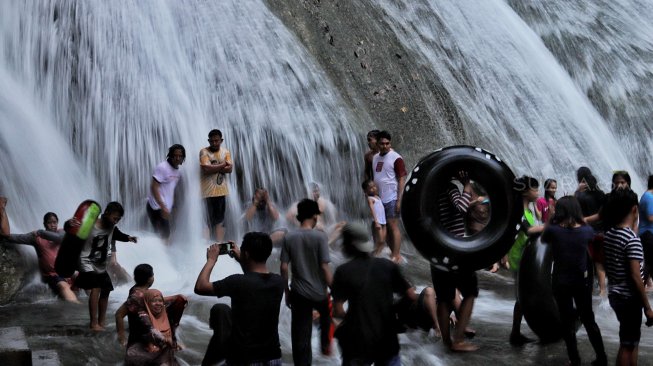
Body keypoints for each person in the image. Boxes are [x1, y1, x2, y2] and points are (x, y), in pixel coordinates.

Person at [331, 222, 416, 365]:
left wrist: (352, 320)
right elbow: (411, 295)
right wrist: (394, 313)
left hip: (357, 343)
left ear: (349, 244)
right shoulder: (387, 266)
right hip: (387, 340)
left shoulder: (343, 271)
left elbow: (338, 310)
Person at [194, 233, 285, 366]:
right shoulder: (278, 282)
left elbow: (200, 287)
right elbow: (253, 278)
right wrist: (242, 258)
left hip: (244, 359)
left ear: (247, 254)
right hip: (273, 358)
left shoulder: (237, 282)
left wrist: (211, 260)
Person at [541, 196, 607, 366]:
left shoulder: (554, 230)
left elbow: (543, 239)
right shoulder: (586, 231)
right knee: (588, 319)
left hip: (560, 281)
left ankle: (574, 359)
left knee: (566, 321)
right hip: (582, 282)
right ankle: (601, 357)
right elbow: (592, 241)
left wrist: (550, 217)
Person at [601, 188, 653, 366]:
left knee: (630, 341)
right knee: (628, 345)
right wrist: (647, 306)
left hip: (615, 294)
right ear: (634, 209)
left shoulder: (609, 235)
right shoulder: (632, 239)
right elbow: (635, 276)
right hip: (629, 297)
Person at [280, 198, 333, 365]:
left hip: (299, 293)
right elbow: (324, 268)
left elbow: (283, 267)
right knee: (326, 316)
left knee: (300, 338)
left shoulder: (289, 237)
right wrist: (336, 289)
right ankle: (325, 345)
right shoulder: (320, 237)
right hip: (319, 293)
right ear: (315, 216)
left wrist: (286, 292)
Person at [72, 201, 137, 331]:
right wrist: (71, 225)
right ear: (106, 213)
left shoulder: (112, 228)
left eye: (118, 219)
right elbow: (75, 234)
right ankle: (93, 323)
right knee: (96, 288)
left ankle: (102, 322)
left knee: (106, 289)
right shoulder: (90, 224)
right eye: (114, 218)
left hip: (100, 264)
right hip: (86, 261)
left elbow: (118, 235)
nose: (116, 221)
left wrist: (129, 237)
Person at [432, 171, 479, 351]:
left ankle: (446, 342)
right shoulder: (450, 188)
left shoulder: (430, 191)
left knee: (444, 297)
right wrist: (466, 185)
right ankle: (458, 340)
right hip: (455, 249)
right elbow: (461, 207)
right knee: (470, 291)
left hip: (436, 250)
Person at [0, 212, 79, 303]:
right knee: (64, 287)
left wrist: (40, 232)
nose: (53, 225)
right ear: (44, 224)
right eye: (50, 222)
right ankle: (76, 308)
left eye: (55, 222)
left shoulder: (61, 232)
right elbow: (17, 238)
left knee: (83, 278)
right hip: (53, 274)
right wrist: (5, 236)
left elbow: (58, 238)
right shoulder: (36, 238)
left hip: (66, 270)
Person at [508, 176, 544, 345]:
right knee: (522, 296)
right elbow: (529, 230)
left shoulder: (528, 210)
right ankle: (515, 333)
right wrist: (550, 225)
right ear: (525, 192)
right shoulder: (519, 211)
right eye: (535, 189)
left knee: (525, 296)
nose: (537, 192)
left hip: (526, 256)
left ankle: (517, 331)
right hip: (518, 258)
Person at [124, 289, 187, 366]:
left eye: (160, 301)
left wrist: (179, 298)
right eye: (154, 301)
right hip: (145, 352)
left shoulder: (164, 313)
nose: (158, 304)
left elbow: (176, 303)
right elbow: (150, 330)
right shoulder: (143, 315)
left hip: (163, 350)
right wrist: (166, 340)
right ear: (147, 303)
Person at [372, 130, 407, 263]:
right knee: (384, 225)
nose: (385, 146)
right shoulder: (375, 158)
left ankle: (397, 255)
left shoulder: (396, 158)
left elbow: (401, 179)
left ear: (390, 143)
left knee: (393, 226)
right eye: (382, 143)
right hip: (379, 199)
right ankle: (392, 252)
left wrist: (399, 199)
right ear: (378, 144)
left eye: (387, 143)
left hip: (392, 197)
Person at [575, 167, 607, 296]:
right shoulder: (600, 194)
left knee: (586, 261)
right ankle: (602, 290)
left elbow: (571, 206)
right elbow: (603, 214)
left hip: (585, 232)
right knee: (598, 262)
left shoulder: (579, 195)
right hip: (600, 231)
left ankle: (590, 288)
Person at [146, 144, 186, 241]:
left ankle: (158, 253)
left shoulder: (177, 171)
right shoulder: (162, 167)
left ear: (183, 158)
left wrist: (172, 206)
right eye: (175, 155)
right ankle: (158, 254)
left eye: (180, 156)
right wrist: (163, 206)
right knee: (165, 234)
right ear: (170, 155)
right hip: (155, 207)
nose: (177, 158)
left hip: (165, 208)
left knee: (162, 235)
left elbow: (169, 189)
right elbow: (154, 187)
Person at [200, 129, 233, 241]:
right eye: (212, 141)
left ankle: (219, 244)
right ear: (208, 141)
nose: (214, 143)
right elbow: (206, 169)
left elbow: (230, 169)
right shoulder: (203, 152)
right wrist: (223, 164)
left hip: (221, 191)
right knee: (206, 221)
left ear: (221, 140)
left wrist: (214, 167)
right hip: (206, 193)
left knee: (220, 220)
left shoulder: (226, 152)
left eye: (216, 141)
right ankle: (205, 246)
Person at [361, 179, 387, 256]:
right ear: (366, 191)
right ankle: (374, 255)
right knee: (381, 241)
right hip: (378, 222)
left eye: (374, 186)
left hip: (383, 221)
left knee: (382, 241)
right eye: (371, 188)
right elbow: (372, 210)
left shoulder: (378, 197)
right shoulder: (370, 199)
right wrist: (376, 222)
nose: (374, 188)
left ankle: (376, 255)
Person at [638, 175, 653, 289]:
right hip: (648, 233)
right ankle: (639, 287)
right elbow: (650, 217)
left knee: (650, 261)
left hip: (646, 233)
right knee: (649, 262)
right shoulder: (649, 198)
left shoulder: (646, 196)